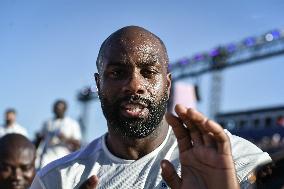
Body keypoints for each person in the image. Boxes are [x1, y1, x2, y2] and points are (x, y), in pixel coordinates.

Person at [30, 26, 271, 189]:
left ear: (167, 85)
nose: (135, 85)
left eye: (149, 73)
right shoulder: (57, 179)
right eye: (117, 73)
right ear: (98, 84)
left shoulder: (228, 157)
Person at [35, 99, 82, 168]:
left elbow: (78, 144)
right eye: (56, 108)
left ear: (65, 109)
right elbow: (40, 139)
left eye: (60, 108)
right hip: (48, 156)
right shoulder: (47, 123)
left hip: (64, 156)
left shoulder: (72, 123)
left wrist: (65, 138)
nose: (57, 110)